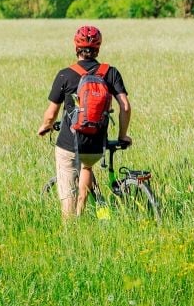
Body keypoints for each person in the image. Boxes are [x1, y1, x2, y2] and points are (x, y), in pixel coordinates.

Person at [37, 25, 131, 218]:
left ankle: (71, 225)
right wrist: (123, 135)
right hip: (96, 142)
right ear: (98, 48)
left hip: (68, 143)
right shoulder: (110, 72)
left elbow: (51, 114)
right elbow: (125, 107)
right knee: (87, 165)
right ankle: (96, 214)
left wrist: (45, 127)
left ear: (76, 47)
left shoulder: (65, 74)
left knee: (68, 190)